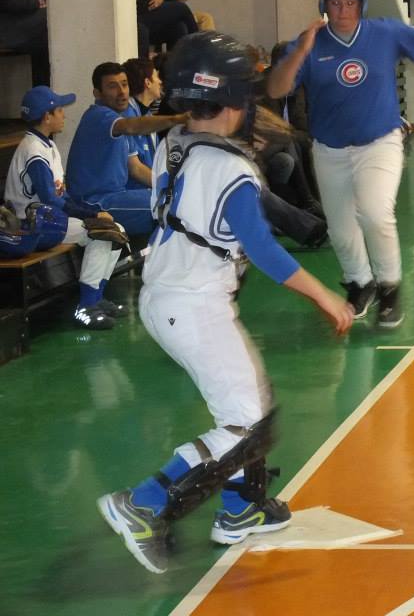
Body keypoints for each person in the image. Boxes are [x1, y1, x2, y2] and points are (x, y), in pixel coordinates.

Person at [96, 31, 353, 574]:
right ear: (236, 100)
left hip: (168, 296)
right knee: (247, 424)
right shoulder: (230, 170)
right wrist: (325, 295)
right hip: (194, 304)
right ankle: (142, 504)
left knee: (252, 405)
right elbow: (262, 250)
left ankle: (241, 508)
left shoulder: (174, 144)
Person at [267, 0, 414, 328]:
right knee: (340, 228)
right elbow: (275, 89)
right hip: (330, 149)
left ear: (361, 5)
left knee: (375, 213)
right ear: (325, 6)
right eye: (335, 3)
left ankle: (389, 287)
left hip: (379, 142)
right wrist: (301, 50)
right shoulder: (310, 44)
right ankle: (360, 283)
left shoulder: (384, 32)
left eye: (350, 2)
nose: (343, 10)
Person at [3, 86, 126, 329]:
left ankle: (96, 298)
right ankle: (86, 307)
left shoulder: (46, 145)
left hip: (48, 220)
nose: (63, 115)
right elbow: (51, 199)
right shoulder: (33, 151)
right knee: (101, 234)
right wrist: (91, 214)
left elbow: (62, 197)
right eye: (59, 110)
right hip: (30, 227)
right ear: (46, 116)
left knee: (115, 230)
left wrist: (93, 210)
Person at [65, 62, 188, 236]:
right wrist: (177, 119)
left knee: (175, 198)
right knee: (171, 203)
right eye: (112, 86)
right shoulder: (99, 115)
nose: (122, 92)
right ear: (97, 93)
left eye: (124, 84)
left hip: (116, 196)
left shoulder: (117, 117)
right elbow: (131, 127)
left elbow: (135, 165)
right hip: (93, 202)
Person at [122, 57, 164, 189]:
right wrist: (166, 189)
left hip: (147, 188)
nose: (160, 81)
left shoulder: (148, 115)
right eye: (156, 77)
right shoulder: (126, 117)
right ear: (148, 82)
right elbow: (135, 169)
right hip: (131, 191)